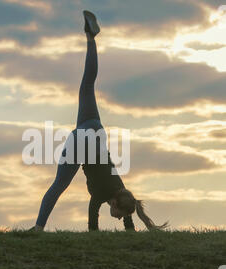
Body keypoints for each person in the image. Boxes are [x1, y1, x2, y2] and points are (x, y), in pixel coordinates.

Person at [30, 10, 168, 232]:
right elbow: (93, 209)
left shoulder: (122, 190)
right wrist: (94, 233)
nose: (117, 218)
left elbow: (128, 211)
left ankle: (91, 37)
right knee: (59, 185)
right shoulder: (105, 193)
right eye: (119, 215)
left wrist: (131, 228)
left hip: (95, 129)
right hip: (84, 143)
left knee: (87, 86)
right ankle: (38, 227)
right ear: (114, 203)